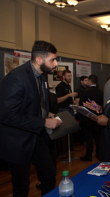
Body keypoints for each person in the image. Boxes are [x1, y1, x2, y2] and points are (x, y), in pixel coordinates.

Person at [0, 40, 62, 196]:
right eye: (52, 60)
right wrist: (43, 121)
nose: (56, 64)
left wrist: (45, 113)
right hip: (18, 141)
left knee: (48, 173)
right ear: (39, 60)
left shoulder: (42, 76)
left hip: (36, 136)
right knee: (21, 186)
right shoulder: (17, 78)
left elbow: (32, 103)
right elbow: (6, 115)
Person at [79, 74, 103, 161]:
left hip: (87, 118)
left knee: (89, 138)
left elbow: (82, 104)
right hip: (98, 118)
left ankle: (88, 155)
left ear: (89, 81)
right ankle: (98, 153)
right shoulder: (101, 92)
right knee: (98, 137)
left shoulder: (85, 92)